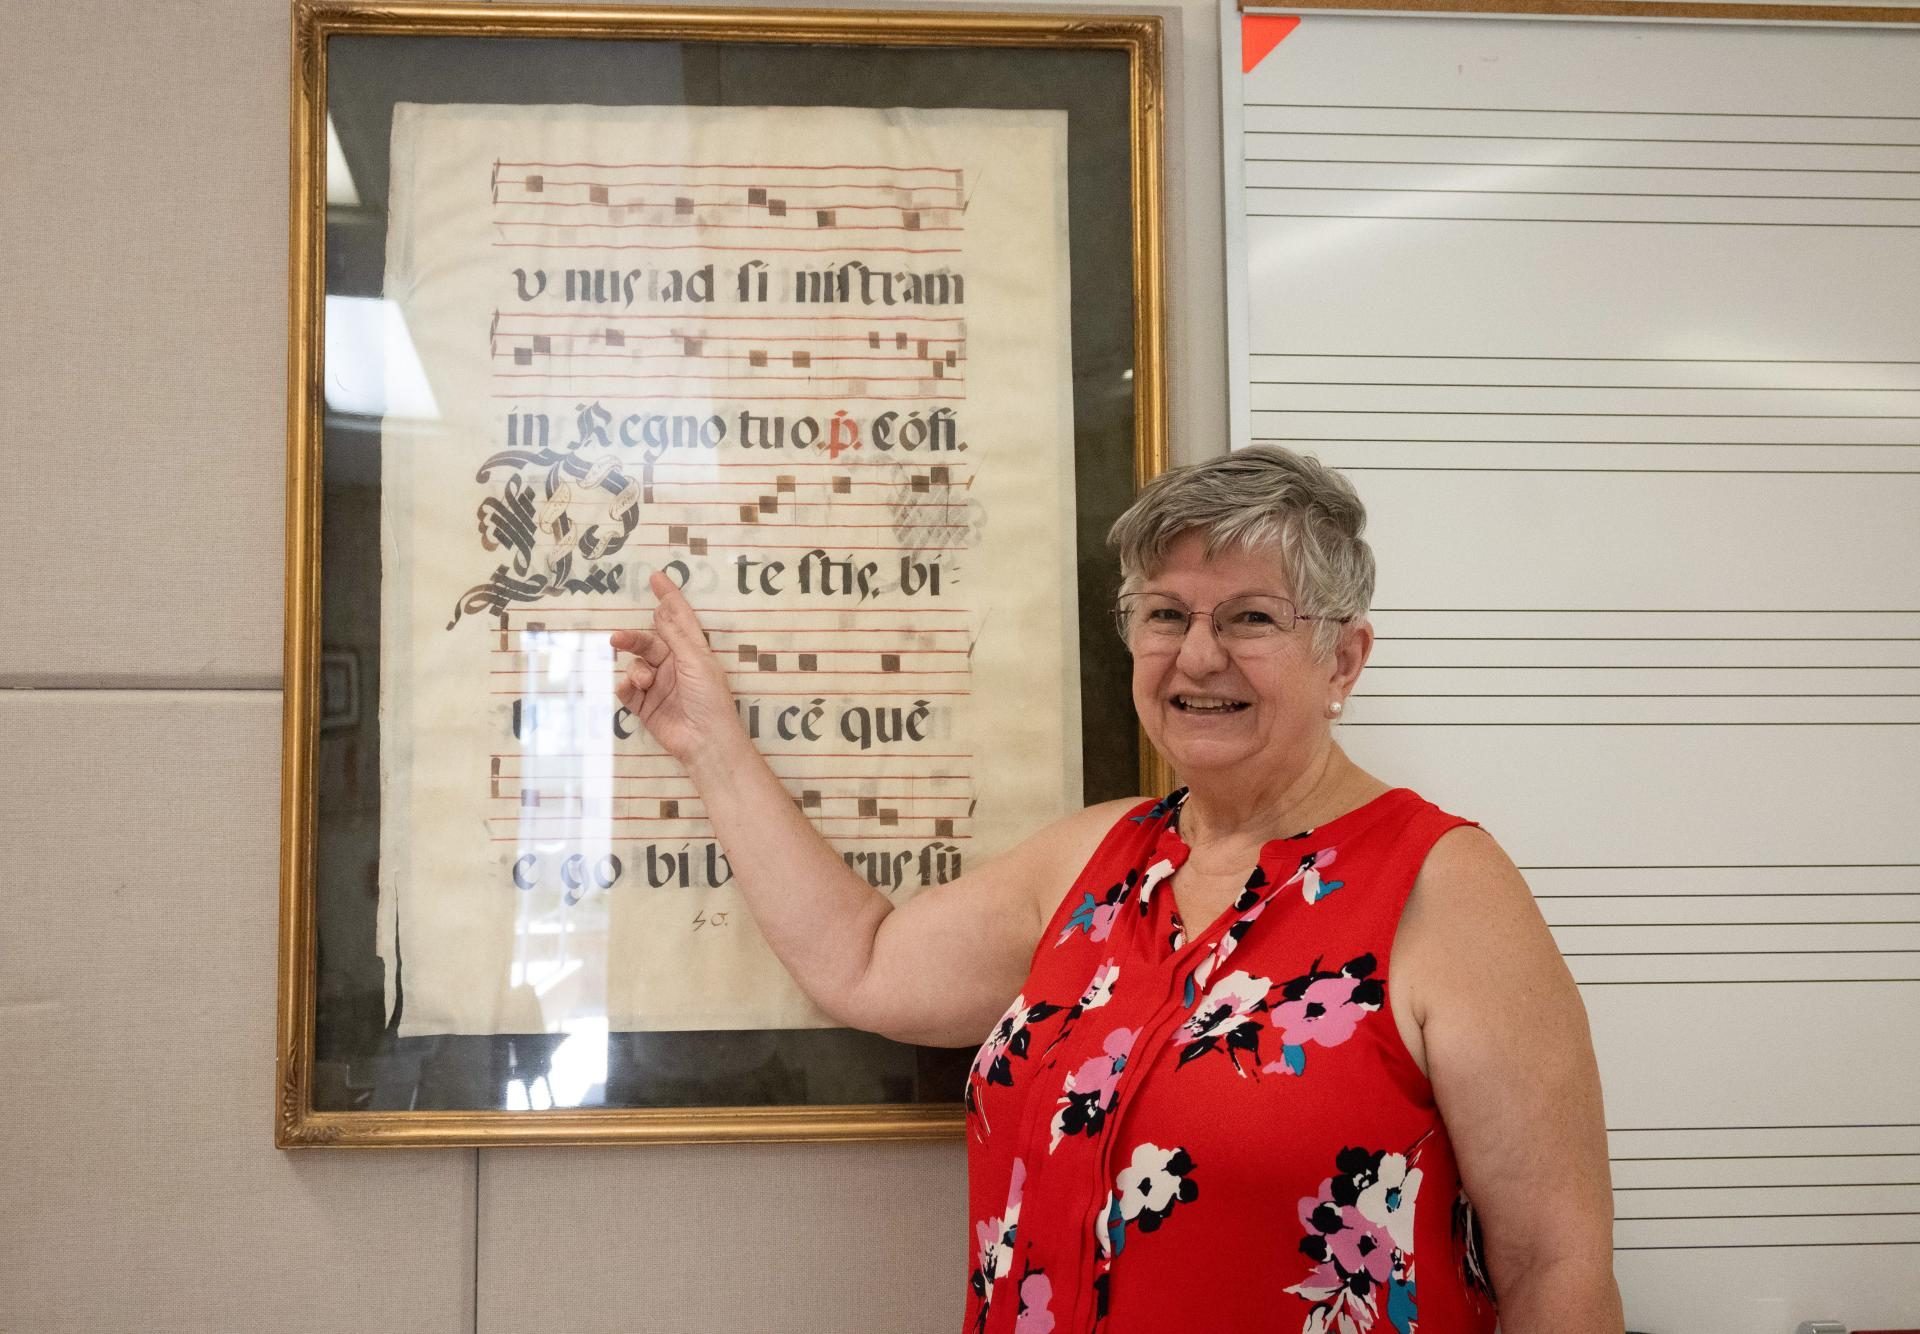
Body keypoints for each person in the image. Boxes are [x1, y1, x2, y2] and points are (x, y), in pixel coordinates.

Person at [612, 446, 1621, 1334]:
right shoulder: (1098, 857)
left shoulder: (1440, 883)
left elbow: (1555, 1268)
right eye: (1166, 614)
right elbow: (863, 962)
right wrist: (708, 742)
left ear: (1342, 657)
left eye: (1251, 617)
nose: (1196, 654)